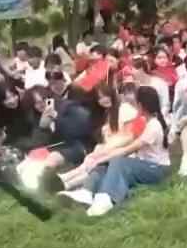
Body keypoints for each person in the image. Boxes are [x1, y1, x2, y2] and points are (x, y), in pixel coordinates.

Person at [57, 87, 171, 217]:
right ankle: (87, 191)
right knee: (105, 166)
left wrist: (102, 158)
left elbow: (128, 149)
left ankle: (106, 198)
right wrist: (103, 159)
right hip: (142, 164)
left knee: (118, 162)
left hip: (156, 169)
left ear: (140, 105)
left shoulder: (154, 126)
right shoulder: (145, 121)